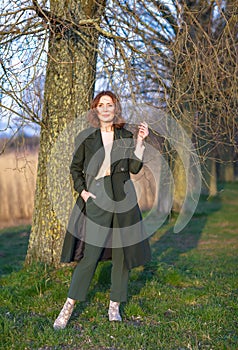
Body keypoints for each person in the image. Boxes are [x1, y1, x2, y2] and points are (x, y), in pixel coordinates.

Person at [53, 91, 151, 330]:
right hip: (96, 197)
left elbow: (135, 168)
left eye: (110, 104)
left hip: (122, 199)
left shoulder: (126, 135)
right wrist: (83, 193)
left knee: (121, 256)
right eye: (101, 105)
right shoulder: (87, 138)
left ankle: (114, 306)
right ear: (96, 110)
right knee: (90, 255)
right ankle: (68, 307)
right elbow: (75, 168)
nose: (106, 108)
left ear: (115, 109)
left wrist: (140, 142)